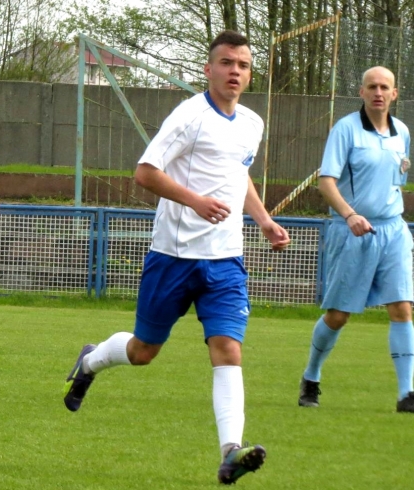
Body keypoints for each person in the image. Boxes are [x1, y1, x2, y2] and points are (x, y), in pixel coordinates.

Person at [61, 30, 290, 485]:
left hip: (225, 260)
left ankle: (230, 452)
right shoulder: (189, 117)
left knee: (228, 349)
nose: (235, 72)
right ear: (208, 69)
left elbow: (239, 175)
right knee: (144, 351)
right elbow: (145, 173)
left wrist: (262, 219)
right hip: (174, 257)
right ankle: (89, 361)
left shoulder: (251, 123)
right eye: (227, 63)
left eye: (243, 65)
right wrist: (195, 201)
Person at [297, 66, 414, 413]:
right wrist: (350, 215)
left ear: (395, 94)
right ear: (361, 92)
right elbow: (326, 180)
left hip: (393, 230)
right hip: (352, 231)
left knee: (402, 307)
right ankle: (311, 376)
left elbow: (397, 178)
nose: (378, 92)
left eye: (385, 87)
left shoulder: (402, 132)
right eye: (371, 87)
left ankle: (407, 393)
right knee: (338, 315)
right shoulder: (345, 129)